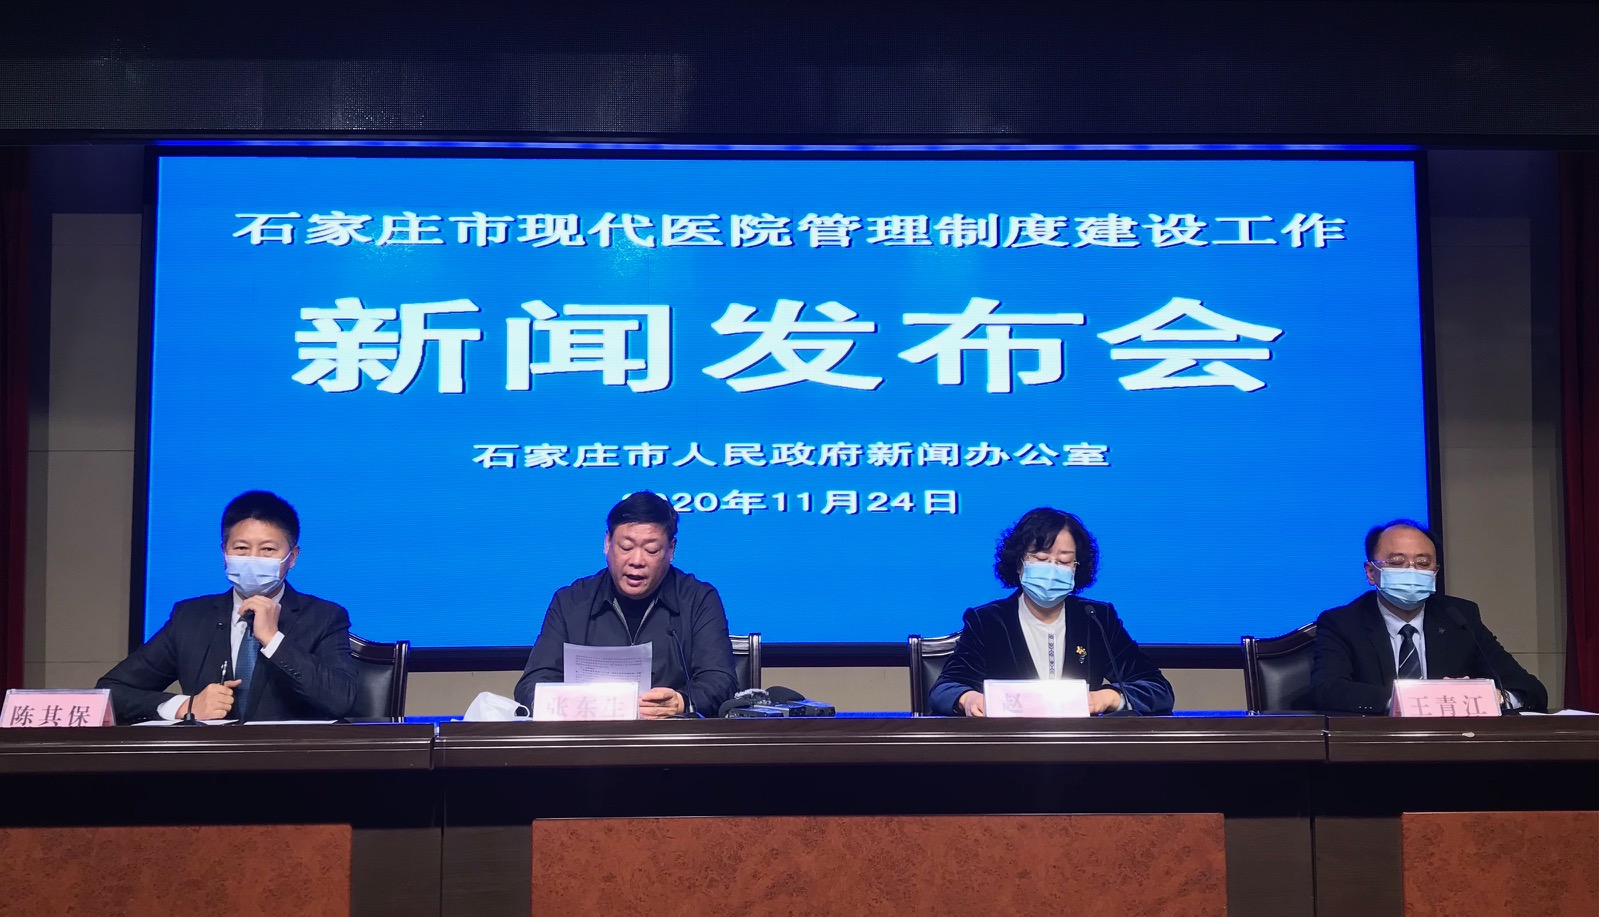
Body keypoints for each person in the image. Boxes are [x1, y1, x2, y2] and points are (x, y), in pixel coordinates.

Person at [98, 491, 360, 723]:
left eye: (268, 549)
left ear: (292, 557)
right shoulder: (190, 618)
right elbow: (111, 691)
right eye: (241, 548)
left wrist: (273, 640)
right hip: (209, 759)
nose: (253, 559)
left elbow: (340, 700)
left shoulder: (324, 617)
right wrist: (184, 706)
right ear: (224, 553)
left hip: (291, 759)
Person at [929, 508, 1175, 716]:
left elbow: (1159, 690)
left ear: (1077, 567)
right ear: (1019, 564)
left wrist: (1109, 697)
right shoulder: (988, 621)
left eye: (1064, 561)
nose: (1052, 569)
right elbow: (944, 689)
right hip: (1007, 748)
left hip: (1082, 749)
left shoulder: (1096, 618)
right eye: (1041, 558)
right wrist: (969, 699)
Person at [514, 492, 737, 718]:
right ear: (607, 543)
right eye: (626, 547)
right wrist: (573, 703)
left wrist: (681, 702)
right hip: (587, 735)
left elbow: (722, 681)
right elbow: (531, 685)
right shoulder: (571, 602)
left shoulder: (698, 600)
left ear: (671, 550)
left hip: (670, 735)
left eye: (651, 550)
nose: (637, 561)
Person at [1310, 519, 1547, 714]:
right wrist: (1415, 699)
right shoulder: (1343, 622)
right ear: (1371, 572)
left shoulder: (1459, 617)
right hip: (1374, 747)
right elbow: (1327, 689)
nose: (1411, 570)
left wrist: (1496, 697)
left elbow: (1531, 690)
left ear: (1435, 572)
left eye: (1423, 563)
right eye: (1397, 562)